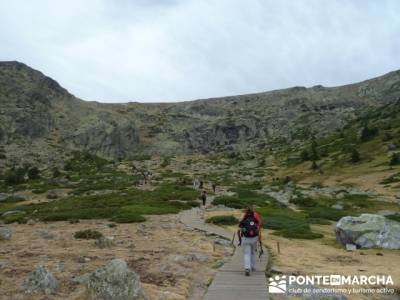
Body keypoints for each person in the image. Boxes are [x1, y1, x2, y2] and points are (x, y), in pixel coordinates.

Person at [237, 205, 262, 276]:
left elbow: (240, 226)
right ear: (253, 210)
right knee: (253, 252)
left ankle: (247, 268)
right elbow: (259, 224)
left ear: (246, 210)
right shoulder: (256, 215)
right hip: (254, 238)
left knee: (247, 253)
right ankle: (252, 266)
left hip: (245, 238)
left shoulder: (244, 215)